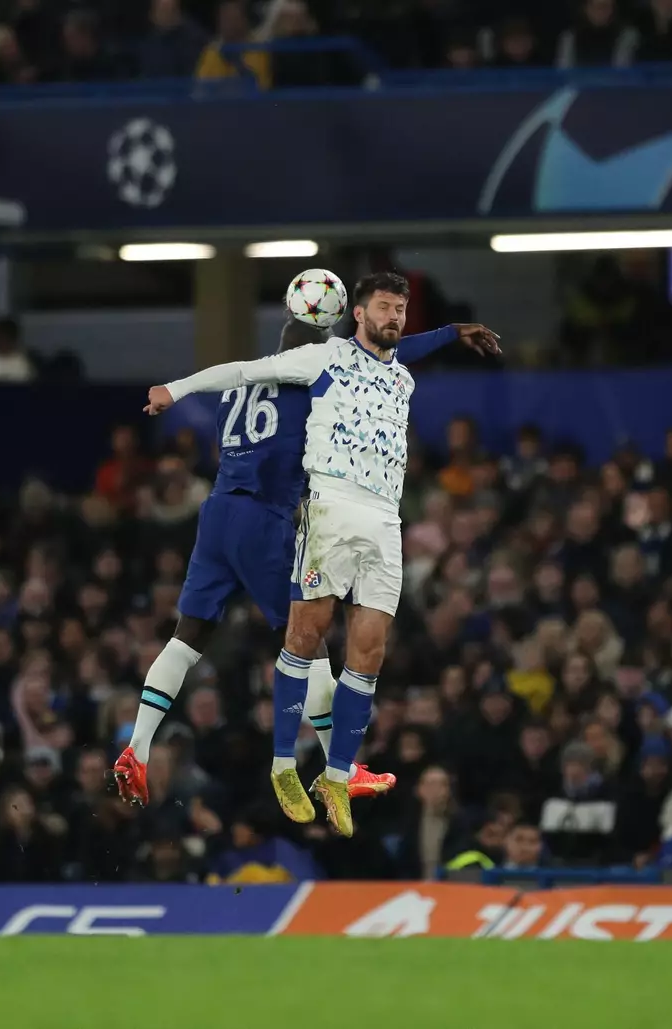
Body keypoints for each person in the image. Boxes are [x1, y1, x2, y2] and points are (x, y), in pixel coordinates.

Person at [131, 271, 499, 836]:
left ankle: (135, 747)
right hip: (271, 517)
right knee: (310, 642)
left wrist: (173, 390)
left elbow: (386, 349)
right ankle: (329, 766)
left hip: (220, 509)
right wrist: (175, 390)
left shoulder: (260, 381)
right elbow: (360, 350)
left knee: (189, 635)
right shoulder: (316, 369)